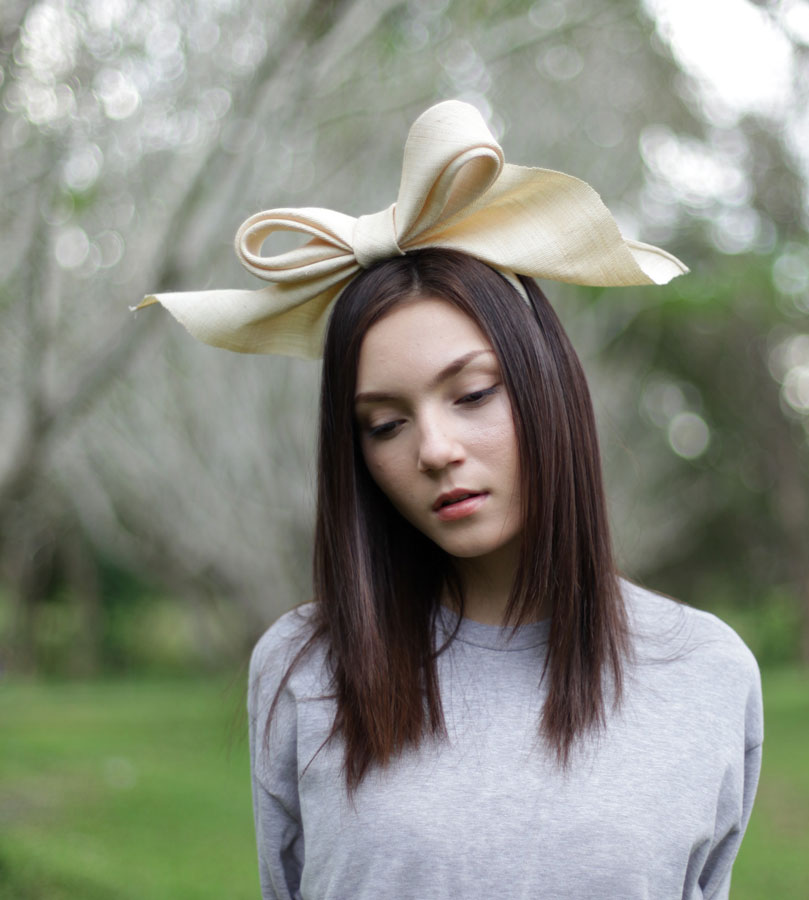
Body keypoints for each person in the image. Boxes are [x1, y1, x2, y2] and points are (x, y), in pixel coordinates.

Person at [139, 101, 763, 899]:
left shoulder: (707, 672)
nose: (433, 449)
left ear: (547, 390)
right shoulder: (305, 668)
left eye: (471, 395)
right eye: (385, 424)